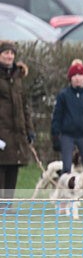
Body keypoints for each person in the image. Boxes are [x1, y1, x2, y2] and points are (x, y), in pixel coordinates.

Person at [51, 59, 83, 176]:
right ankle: (66, 192)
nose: (78, 78)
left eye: (80, 75)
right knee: (66, 168)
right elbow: (57, 116)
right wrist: (55, 136)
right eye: (74, 76)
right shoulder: (63, 95)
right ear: (70, 78)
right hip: (67, 135)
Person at [0, 40, 35, 213]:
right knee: (2, 167)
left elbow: (24, 106)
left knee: (13, 166)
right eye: (6, 53)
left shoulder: (17, 78)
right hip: (1, 130)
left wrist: (29, 130)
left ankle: (7, 204)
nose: (9, 56)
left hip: (16, 132)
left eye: (12, 54)